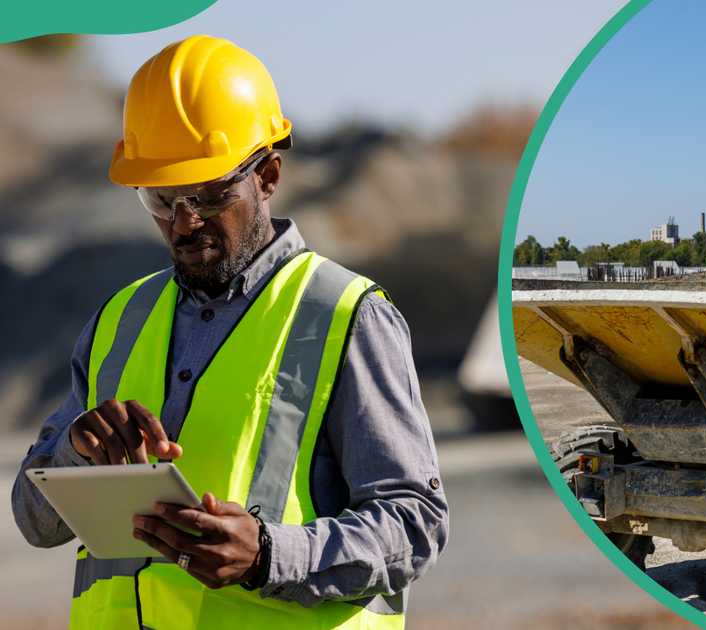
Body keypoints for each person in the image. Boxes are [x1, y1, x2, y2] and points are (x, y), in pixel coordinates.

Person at [10, 34, 447, 629]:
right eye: (161, 200)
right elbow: (34, 523)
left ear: (267, 175)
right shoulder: (120, 320)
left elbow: (414, 523)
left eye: (210, 195)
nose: (185, 223)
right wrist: (74, 453)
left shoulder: (346, 316)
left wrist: (269, 556)